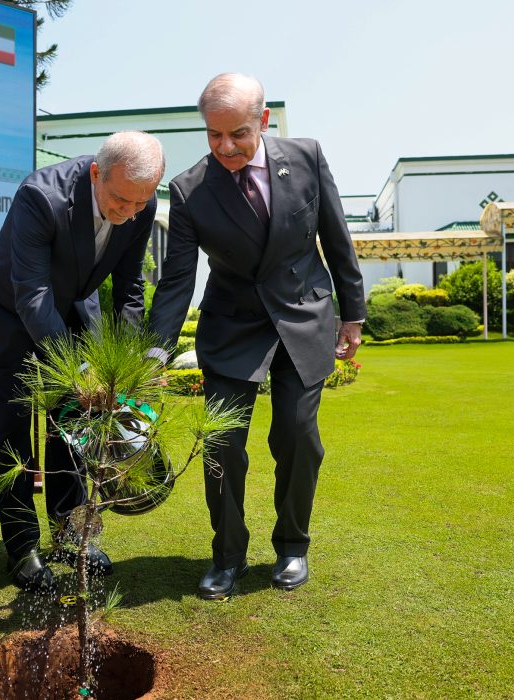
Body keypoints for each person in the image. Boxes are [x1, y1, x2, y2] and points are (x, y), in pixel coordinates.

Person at [147, 73, 367, 600]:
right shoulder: (189, 189)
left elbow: (337, 238)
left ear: (263, 121)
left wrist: (353, 314)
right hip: (233, 324)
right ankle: (228, 555)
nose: (225, 147)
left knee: (297, 436)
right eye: (214, 135)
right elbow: (177, 280)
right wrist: (156, 350)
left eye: (238, 134)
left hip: (302, 314)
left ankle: (292, 546)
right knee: (222, 443)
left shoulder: (307, 157)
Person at [0, 131, 164, 591]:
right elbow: (33, 296)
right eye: (120, 200)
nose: (129, 212)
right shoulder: (40, 196)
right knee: (14, 428)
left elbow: (129, 288)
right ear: (97, 173)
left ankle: (70, 533)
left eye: (140, 203)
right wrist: (79, 372)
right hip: (9, 312)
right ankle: (21, 547)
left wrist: (123, 367)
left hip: (74, 308)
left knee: (74, 424)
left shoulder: (141, 202)